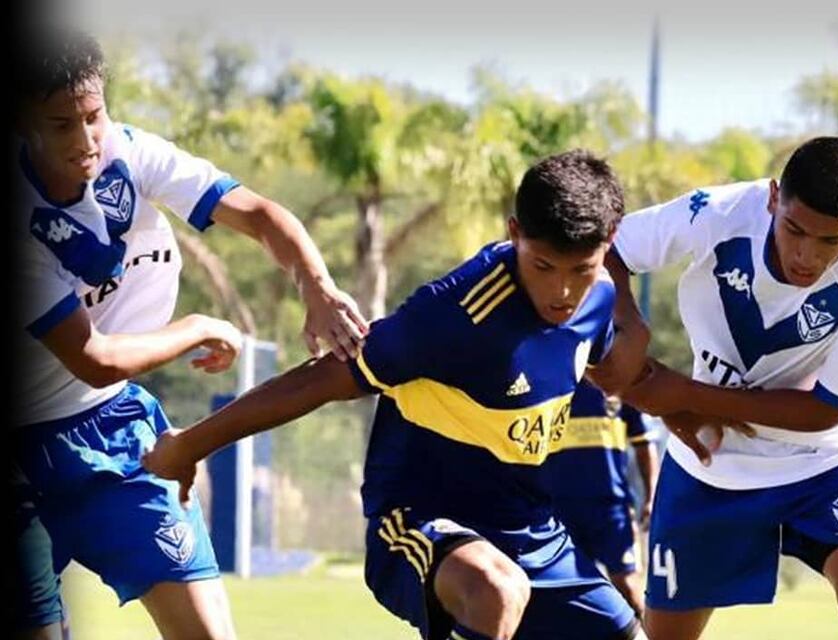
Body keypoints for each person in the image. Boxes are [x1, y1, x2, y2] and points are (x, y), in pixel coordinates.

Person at [143, 149, 649, 640]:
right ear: (515, 234)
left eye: (580, 271)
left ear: (608, 246)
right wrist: (192, 445)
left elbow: (623, 373)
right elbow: (321, 380)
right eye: (543, 267)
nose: (562, 292)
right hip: (418, 522)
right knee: (496, 588)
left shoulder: (598, 297)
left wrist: (688, 410)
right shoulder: (455, 313)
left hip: (533, 531)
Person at [12, 30, 367, 640]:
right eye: (60, 125)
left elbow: (257, 215)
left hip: (116, 430)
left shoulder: (132, 154)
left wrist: (317, 286)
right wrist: (198, 327)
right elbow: (94, 358)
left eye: (93, 116)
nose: (84, 141)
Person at [606, 137, 838, 639]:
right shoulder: (718, 213)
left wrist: (684, 396)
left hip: (828, 463)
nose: (807, 256)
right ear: (773, 197)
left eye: (831, 241)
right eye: (794, 229)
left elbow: (824, 412)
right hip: (710, 463)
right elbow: (608, 249)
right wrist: (631, 343)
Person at [546, 378, 657, 616]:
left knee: (628, 588)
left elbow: (644, 444)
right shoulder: (552, 379)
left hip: (611, 508)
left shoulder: (618, 381)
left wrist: (651, 495)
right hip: (558, 510)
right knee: (565, 599)